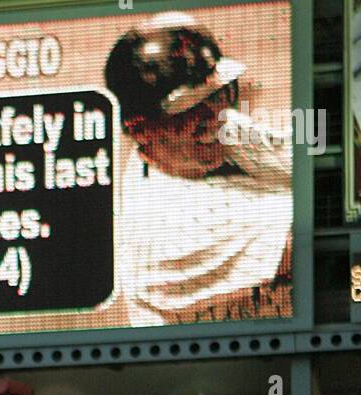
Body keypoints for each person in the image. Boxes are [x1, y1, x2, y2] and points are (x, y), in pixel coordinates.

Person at [105, 12, 292, 325]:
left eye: (219, 94)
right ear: (141, 130)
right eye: (189, 109)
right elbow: (312, 235)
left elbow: (306, 163)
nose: (217, 115)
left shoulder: (210, 131)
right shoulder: (157, 229)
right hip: (220, 370)